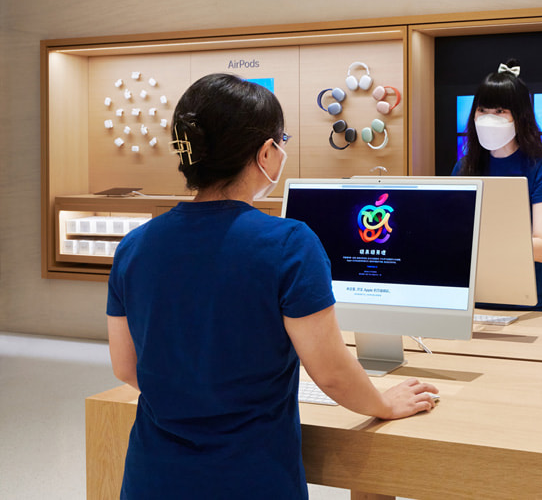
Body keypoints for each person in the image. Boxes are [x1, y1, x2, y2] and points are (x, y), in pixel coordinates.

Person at [106, 73, 438, 500]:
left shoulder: (134, 246)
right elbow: (333, 374)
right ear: (267, 152)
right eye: (281, 140)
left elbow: (126, 367)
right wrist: (384, 403)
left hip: (153, 478)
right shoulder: (289, 244)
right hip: (250, 478)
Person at [453, 60, 542, 312]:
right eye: (483, 109)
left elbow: (541, 248)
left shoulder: (540, 168)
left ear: (519, 116)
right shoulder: (463, 168)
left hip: (527, 303)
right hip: (473, 302)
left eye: (500, 111)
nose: (489, 118)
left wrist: (478, 243)